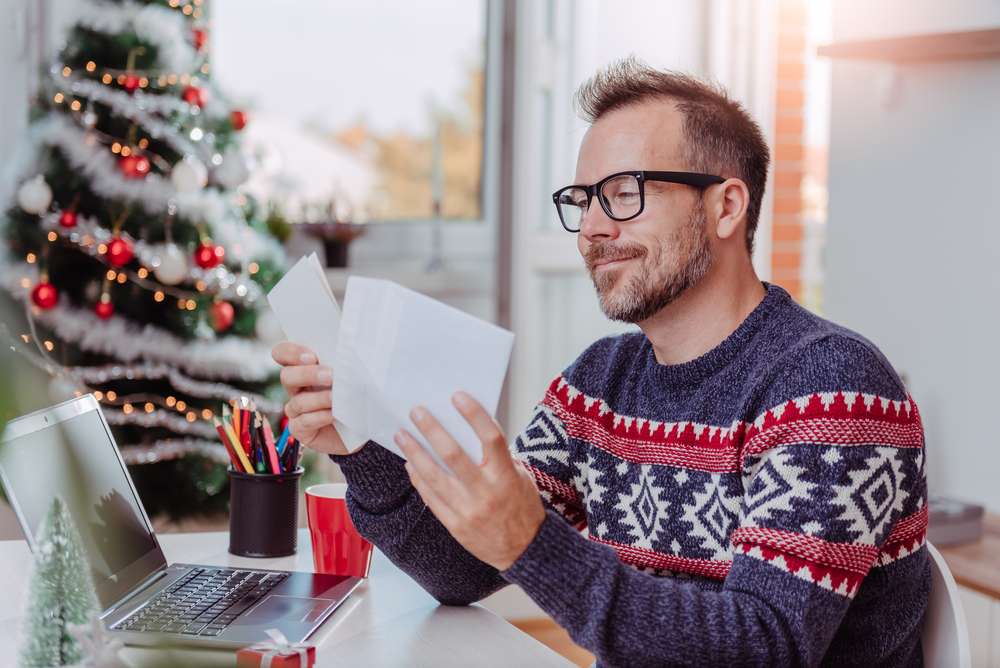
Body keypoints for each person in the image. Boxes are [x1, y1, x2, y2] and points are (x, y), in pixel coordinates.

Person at [272, 58, 928, 667]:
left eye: (623, 193)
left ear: (726, 206)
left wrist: (534, 542)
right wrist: (359, 445)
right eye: (583, 200)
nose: (591, 229)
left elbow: (766, 647)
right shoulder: (600, 382)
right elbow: (461, 572)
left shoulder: (829, 387)